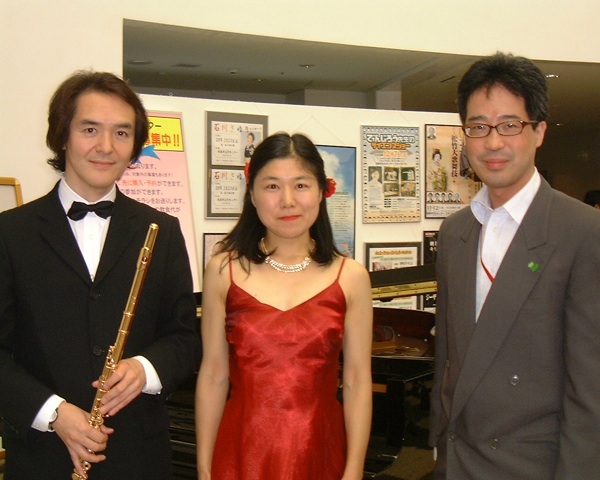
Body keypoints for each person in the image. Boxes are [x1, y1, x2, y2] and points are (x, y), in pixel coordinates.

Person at [0, 71, 202, 480]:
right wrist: (54, 413)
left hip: (139, 458)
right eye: (90, 129)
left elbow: (184, 337)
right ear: (62, 135)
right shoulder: (10, 233)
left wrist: (145, 369)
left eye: (121, 133)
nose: (106, 147)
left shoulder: (161, 230)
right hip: (41, 457)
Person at [429, 52, 600, 480]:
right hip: (459, 460)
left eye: (509, 125)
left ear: (539, 131)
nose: (492, 142)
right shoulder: (454, 232)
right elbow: (449, 359)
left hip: (534, 465)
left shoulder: (582, 231)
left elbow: (591, 389)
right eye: (478, 127)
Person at [195, 132, 373, 480]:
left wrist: (354, 470)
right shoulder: (222, 271)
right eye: (272, 186)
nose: (288, 201)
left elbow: (356, 381)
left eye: (301, 185)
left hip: (320, 453)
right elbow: (214, 374)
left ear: (322, 192)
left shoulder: (351, 277)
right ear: (252, 194)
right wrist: (204, 467)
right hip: (240, 454)